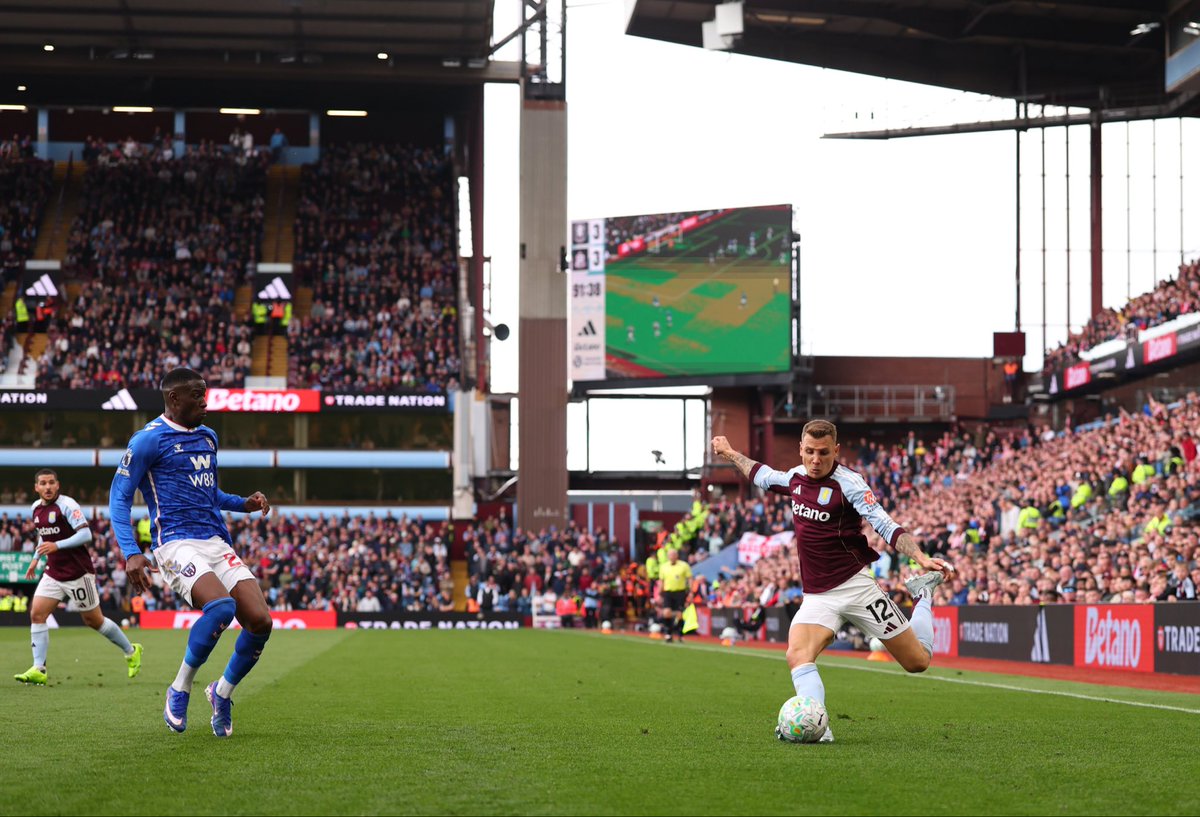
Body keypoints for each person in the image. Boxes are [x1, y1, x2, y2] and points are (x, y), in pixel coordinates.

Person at [711, 419, 953, 744]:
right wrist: (729, 453)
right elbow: (762, 474)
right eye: (809, 451)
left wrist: (920, 557)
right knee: (797, 654)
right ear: (800, 449)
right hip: (817, 595)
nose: (815, 460)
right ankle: (818, 725)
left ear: (835, 451)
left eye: (823, 453)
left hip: (856, 588)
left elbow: (884, 523)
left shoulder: (850, 483)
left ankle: (923, 592)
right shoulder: (795, 478)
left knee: (918, 661)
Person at [110, 368, 273, 738]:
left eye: (205, 393)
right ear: (174, 399)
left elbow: (208, 492)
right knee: (221, 608)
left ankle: (221, 693)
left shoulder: (209, 437)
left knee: (261, 622)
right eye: (197, 395)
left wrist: (242, 504)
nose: (205, 401)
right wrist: (131, 551)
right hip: (175, 542)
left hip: (215, 540)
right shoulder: (147, 441)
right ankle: (180, 687)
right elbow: (118, 497)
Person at [14, 469, 143, 685]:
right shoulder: (35, 509)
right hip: (53, 572)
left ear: (58, 485)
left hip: (78, 573)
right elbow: (44, 537)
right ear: (36, 488)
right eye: (43, 484)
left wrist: (56, 546)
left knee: (94, 621)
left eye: (51, 483)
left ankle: (131, 651)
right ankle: (39, 668)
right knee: (37, 613)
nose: (47, 487)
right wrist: (36, 558)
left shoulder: (68, 505)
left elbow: (86, 535)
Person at [657, 548, 691, 643]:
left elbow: (689, 578)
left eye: (673, 554)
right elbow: (661, 581)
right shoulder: (664, 567)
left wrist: (691, 592)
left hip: (680, 592)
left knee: (680, 615)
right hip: (668, 592)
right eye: (670, 555)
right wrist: (659, 594)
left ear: (677, 556)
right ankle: (668, 633)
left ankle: (680, 635)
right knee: (666, 613)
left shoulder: (684, 565)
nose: (672, 556)